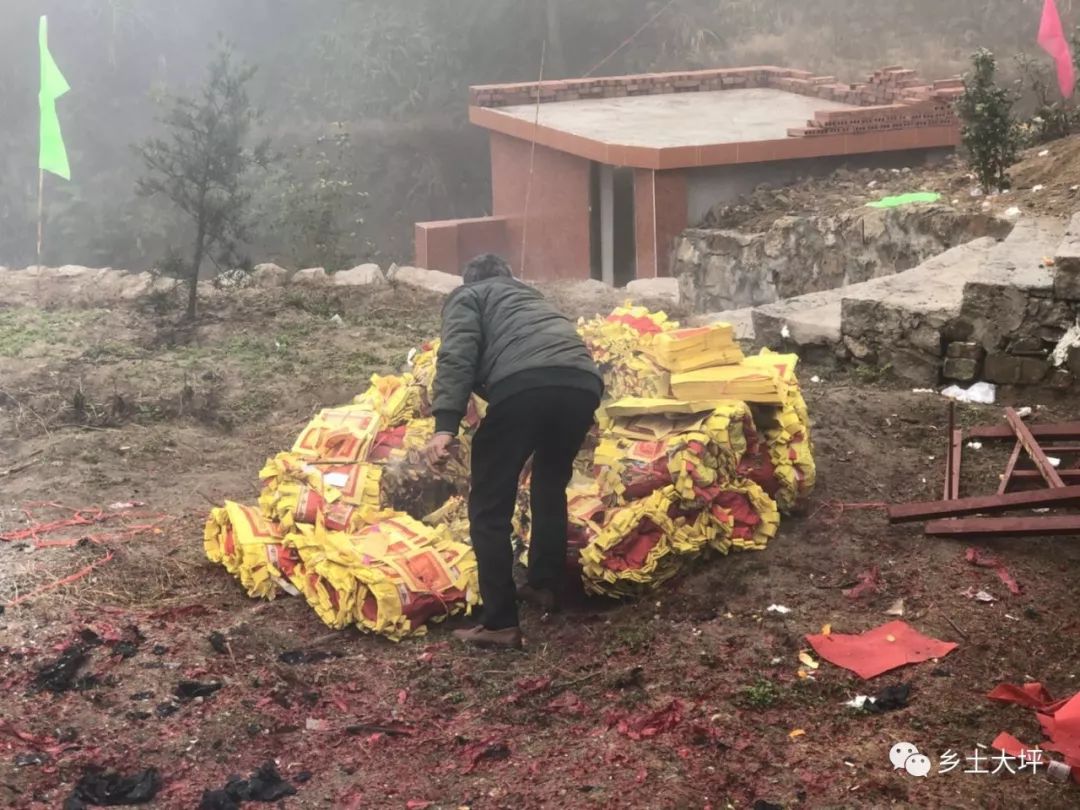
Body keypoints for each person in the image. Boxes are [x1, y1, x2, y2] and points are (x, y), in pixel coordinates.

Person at [424, 253, 603, 649]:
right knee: (549, 481)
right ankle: (545, 585)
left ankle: (500, 622)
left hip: (525, 385)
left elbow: (457, 355)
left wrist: (445, 425)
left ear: (468, 280)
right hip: (582, 384)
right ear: (508, 278)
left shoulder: (469, 296)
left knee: (489, 507)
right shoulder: (532, 298)